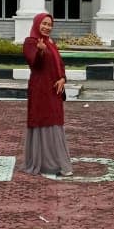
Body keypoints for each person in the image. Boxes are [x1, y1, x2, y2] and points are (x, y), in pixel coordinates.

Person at [22, 13, 73, 177]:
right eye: (44, 23)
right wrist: (40, 51)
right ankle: (45, 163)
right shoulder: (30, 42)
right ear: (37, 24)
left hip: (54, 90)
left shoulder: (51, 43)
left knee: (55, 123)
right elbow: (34, 63)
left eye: (50, 24)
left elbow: (60, 64)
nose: (47, 27)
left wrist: (62, 78)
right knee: (43, 122)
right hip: (40, 90)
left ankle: (56, 162)